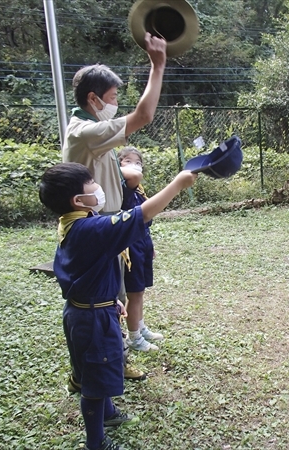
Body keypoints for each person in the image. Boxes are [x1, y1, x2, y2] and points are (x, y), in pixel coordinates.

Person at [39, 162, 197, 450]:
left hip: (91, 307)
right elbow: (142, 214)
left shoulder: (74, 221)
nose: (97, 187)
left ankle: (108, 414)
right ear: (78, 199)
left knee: (99, 366)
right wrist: (178, 184)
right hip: (91, 318)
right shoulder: (90, 228)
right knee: (95, 381)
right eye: (91, 184)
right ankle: (95, 442)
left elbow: (88, 269)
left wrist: (110, 299)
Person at [62, 32, 167, 381]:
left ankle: (104, 362)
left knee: (111, 298)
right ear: (93, 99)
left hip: (106, 226)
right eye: (111, 97)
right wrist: (158, 63)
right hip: (97, 229)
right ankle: (105, 365)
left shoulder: (91, 129)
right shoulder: (85, 132)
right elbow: (145, 114)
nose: (115, 103)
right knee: (105, 301)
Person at [117, 147, 163, 352]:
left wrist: (149, 246)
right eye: (127, 161)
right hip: (129, 248)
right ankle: (134, 338)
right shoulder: (123, 186)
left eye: (138, 162)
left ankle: (140, 326)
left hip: (142, 243)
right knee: (134, 292)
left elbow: (144, 221)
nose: (134, 166)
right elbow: (133, 176)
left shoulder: (138, 191)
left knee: (140, 291)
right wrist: (125, 168)